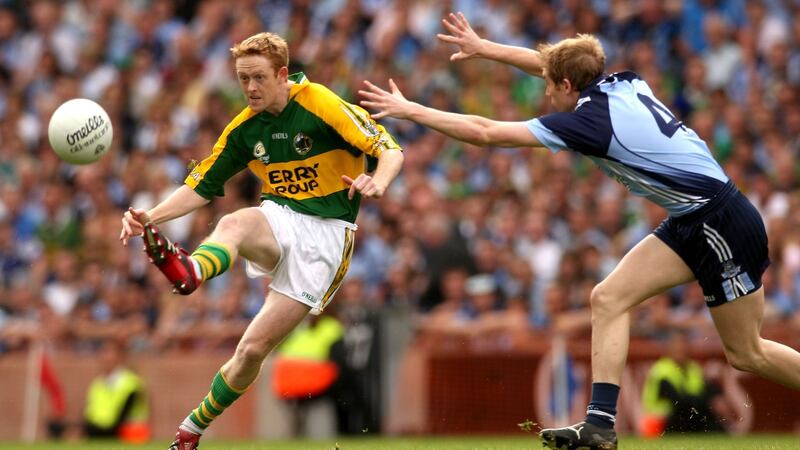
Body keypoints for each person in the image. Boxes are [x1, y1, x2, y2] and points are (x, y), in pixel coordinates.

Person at [359, 12, 800, 450]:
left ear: (568, 87)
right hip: (694, 217)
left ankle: (601, 423)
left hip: (717, 222)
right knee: (607, 298)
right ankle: (600, 425)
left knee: (746, 354)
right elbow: (547, 62)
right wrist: (485, 48)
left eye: (550, 87)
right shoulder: (622, 81)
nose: (545, 92)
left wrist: (410, 110)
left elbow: (486, 132)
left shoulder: (588, 125)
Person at [119, 32, 404, 450]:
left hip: (327, 237)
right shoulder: (244, 129)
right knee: (236, 221)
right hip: (280, 218)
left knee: (251, 350)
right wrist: (150, 217)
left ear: (282, 75)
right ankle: (191, 271)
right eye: (242, 79)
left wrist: (377, 181)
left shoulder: (320, 103)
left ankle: (190, 429)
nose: (250, 88)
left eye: (258, 78)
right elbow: (199, 187)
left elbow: (390, 150)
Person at [640, 330, 722, 436]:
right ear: (669, 349)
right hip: (659, 423)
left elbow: (707, 390)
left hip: (685, 416)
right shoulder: (661, 371)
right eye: (677, 347)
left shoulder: (693, 368)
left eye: (684, 346)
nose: (681, 350)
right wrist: (704, 400)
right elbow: (677, 400)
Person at [83, 340, 149, 442]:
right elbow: (90, 415)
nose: (105, 356)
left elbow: (121, 420)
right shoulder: (97, 384)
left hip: (130, 437)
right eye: (103, 352)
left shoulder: (132, 383)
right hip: (100, 435)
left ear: (120, 356)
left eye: (109, 352)